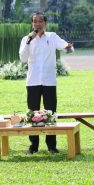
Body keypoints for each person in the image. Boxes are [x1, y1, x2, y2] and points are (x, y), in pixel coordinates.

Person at [19, 12, 74, 154]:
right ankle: (33, 146)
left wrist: (69, 47)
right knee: (33, 113)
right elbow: (23, 59)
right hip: (33, 81)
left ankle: (51, 146)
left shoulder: (52, 37)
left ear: (45, 23)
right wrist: (28, 41)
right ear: (32, 24)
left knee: (51, 113)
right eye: (34, 22)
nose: (37, 24)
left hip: (49, 81)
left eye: (40, 21)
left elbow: (67, 47)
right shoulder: (27, 39)